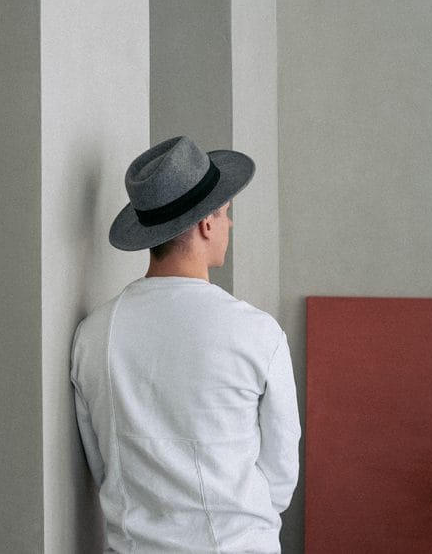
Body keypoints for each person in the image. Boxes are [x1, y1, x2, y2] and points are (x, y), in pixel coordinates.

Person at [71, 135, 301, 554]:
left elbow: (103, 466)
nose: (230, 225)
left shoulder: (93, 334)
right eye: (226, 213)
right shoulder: (257, 333)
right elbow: (281, 474)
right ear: (206, 224)